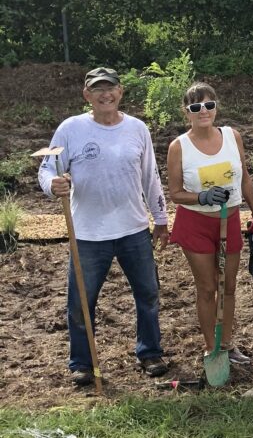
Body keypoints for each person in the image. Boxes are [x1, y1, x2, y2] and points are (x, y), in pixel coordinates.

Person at [37, 66, 169, 386]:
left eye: (110, 88)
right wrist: (51, 184)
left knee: (148, 294)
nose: (104, 94)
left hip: (133, 229)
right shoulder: (71, 129)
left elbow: (150, 176)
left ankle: (150, 352)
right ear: (87, 96)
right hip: (88, 234)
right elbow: (46, 168)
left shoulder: (137, 129)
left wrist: (161, 218)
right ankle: (82, 363)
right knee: (81, 301)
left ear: (120, 92)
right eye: (97, 89)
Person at [166, 83, 253, 365]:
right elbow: (175, 193)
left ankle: (228, 343)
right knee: (208, 287)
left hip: (229, 220)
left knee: (228, 285)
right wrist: (202, 196)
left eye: (209, 105)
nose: (203, 112)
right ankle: (212, 349)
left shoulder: (233, 136)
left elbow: (244, 178)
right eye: (196, 107)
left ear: (216, 107)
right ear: (187, 112)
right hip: (196, 223)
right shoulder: (179, 147)